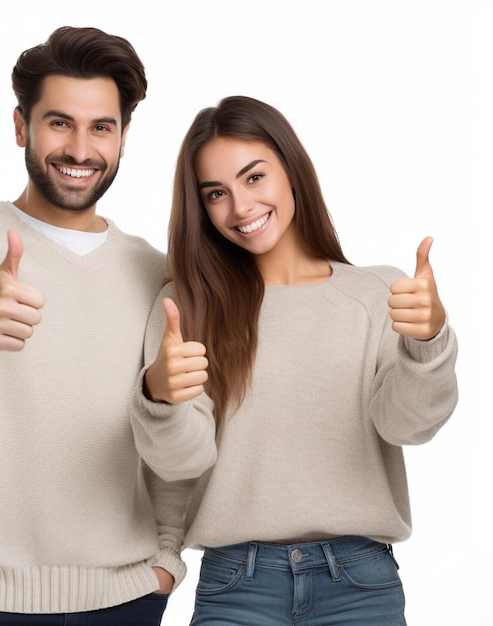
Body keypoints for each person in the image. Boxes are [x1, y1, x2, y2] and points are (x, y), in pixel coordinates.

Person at [0, 26, 185, 626]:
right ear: (21, 126)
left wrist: (167, 559)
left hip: (126, 601)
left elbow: (175, 425)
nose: (80, 149)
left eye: (101, 127)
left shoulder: (157, 274)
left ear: (124, 137)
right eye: (59, 123)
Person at [130, 95, 459, 625]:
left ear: (292, 169)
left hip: (360, 585)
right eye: (217, 193)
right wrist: (161, 398)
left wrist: (428, 344)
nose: (240, 207)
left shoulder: (376, 292)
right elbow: (179, 464)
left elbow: (407, 425)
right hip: (237, 584)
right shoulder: (186, 306)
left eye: (254, 178)